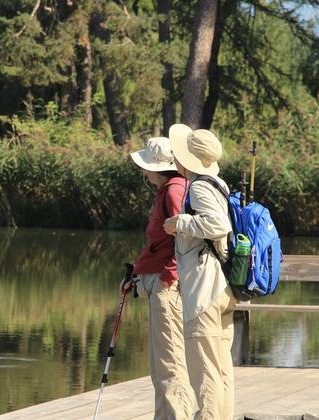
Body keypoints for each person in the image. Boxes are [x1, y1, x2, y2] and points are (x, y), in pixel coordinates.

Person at [163, 124, 236, 420]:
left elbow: (219, 225)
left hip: (205, 291)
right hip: (223, 287)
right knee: (220, 369)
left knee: (204, 370)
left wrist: (179, 222)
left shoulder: (199, 186)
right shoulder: (219, 183)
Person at [123, 137, 196, 420]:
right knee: (161, 364)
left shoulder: (174, 191)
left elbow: (186, 237)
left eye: (146, 166)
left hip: (168, 287)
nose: (143, 171)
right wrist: (138, 274)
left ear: (159, 168)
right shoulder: (167, 190)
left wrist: (168, 277)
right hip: (159, 282)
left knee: (170, 362)